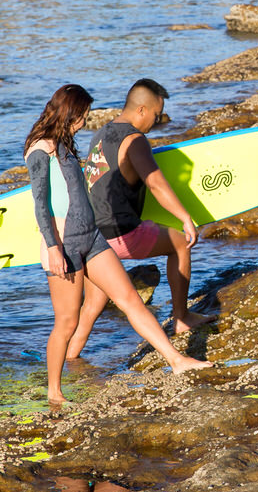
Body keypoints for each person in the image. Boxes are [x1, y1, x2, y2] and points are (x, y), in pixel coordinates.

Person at [23, 83, 209, 404]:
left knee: (130, 300)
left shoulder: (65, 144)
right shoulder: (41, 150)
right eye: (80, 116)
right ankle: (54, 392)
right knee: (66, 322)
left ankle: (177, 361)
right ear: (67, 112)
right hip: (64, 244)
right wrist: (52, 248)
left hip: (93, 237)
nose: (83, 123)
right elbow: (41, 204)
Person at [66, 78, 206, 359]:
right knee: (180, 243)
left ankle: (70, 358)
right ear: (141, 109)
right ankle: (181, 318)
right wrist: (185, 217)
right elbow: (155, 183)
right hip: (122, 233)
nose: (156, 122)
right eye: (156, 115)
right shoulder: (135, 140)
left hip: (92, 236)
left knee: (93, 304)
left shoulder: (100, 135)